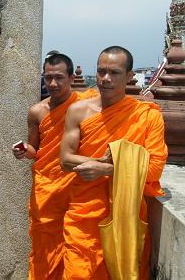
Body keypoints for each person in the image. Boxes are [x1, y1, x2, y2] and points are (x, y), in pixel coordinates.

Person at [60, 46, 168, 279]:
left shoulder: (148, 115)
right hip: (83, 214)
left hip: (125, 216)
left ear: (129, 76)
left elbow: (155, 168)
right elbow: (65, 159)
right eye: (101, 72)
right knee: (77, 272)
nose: (105, 79)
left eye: (115, 73)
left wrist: (107, 169)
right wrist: (99, 163)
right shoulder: (78, 111)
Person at [12, 52, 98, 279]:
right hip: (47, 188)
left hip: (77, 187)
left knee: (78, 246)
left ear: (71, 78)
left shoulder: (86, 105)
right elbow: (35, 149)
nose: (52, 83)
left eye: (59, 77)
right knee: (45, 248)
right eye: (48, 77)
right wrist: (22, 150)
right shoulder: (37, 111)